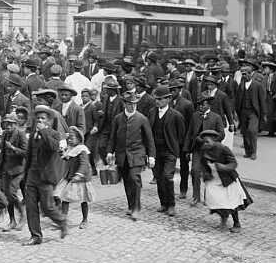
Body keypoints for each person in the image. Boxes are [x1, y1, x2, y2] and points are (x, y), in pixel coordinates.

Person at [21, 104, 68, 245]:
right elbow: (29, 155)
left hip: (46, 177)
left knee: (47, 207)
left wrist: (44, 131)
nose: (40, 121)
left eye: (43, 118)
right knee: (31, 207)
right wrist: (26, 174)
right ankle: (36, 236)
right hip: (32, 176)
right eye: (38, 118)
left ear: (48, 121)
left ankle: (62, 221)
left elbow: (53, 147)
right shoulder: (32, 135)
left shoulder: (54, 134)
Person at [106, 90, 155, 221]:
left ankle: (136, 208)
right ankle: (131, 205)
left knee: (135, 179)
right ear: (124, 104)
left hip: (137, 154)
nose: (132, 106)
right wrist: (110, 152)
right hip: (122, 155)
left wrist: (151, 156)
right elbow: (112, 138)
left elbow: (149, 139)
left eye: (134, 104)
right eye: (129, 104)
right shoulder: (118, 119)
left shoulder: (142, 119)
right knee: (127, 180)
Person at [196, 130, 252, 233]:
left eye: (207, 141)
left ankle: (237, 223)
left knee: (231, 202)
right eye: (204, 142)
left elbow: (233, 163)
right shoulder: (204, 149)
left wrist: (224, 167)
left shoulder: (223, 149)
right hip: (213, 178)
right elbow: (203, 163)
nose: (205, 144)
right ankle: (223, 218)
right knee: (216, 200)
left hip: (227, 179)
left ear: (214, 140)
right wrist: (205, 173)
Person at [150, 85, 186, 217]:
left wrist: (178, 150)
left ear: (168, 99)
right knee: (159, 177)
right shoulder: (152, 112)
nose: (157, 101)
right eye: (156, 99)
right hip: (155, 152)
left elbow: (181, 136)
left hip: (170, 151)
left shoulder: (176, 116)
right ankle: (163, 203)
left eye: (160, 99)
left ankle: (171, 205)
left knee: (167, 177)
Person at [55, 126, 94, 229]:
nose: (69, 140)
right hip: (70, 177)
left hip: (81, 178)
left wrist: (79, 174)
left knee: (83, 199)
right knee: (65, 198)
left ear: (79, 139)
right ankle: (63, 220)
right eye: (69, 138)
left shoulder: (82, 150)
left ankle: (85, 219)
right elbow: (68, 158)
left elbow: (84, 164)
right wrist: (62, 154)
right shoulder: (71, 149)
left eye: (72, 138)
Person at [233, 60, 267, 160]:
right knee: (244, 132)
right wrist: (236, 111)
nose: (244, 76)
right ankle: (248, 152)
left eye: (246, 74)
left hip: (253, 112)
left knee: (252, 131)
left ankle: (253, 152)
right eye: (242, 74)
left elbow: (262, 100)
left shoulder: (257, 85)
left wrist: (264, 113)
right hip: (243, 111)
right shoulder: (241, 85)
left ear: (250, 74)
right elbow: (238, 98)